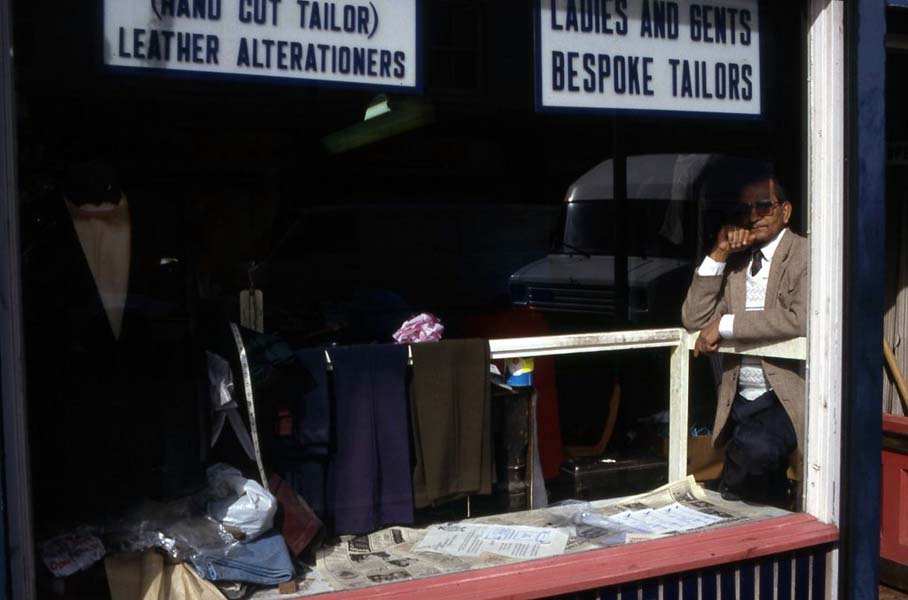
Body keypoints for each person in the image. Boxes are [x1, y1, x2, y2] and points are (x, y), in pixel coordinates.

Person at [681, 163, 807, 507]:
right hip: (738, 396)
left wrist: (724, 327)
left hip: (782, 395)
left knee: (756, 451)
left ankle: (728, 494)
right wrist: (719, 253)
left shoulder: (804, 255)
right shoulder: (737, 262)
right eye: (745, 208)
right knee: (760, 485)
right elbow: (693, 318)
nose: (753, 216)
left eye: (763, 206)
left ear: (785, 210)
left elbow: (798, 318)